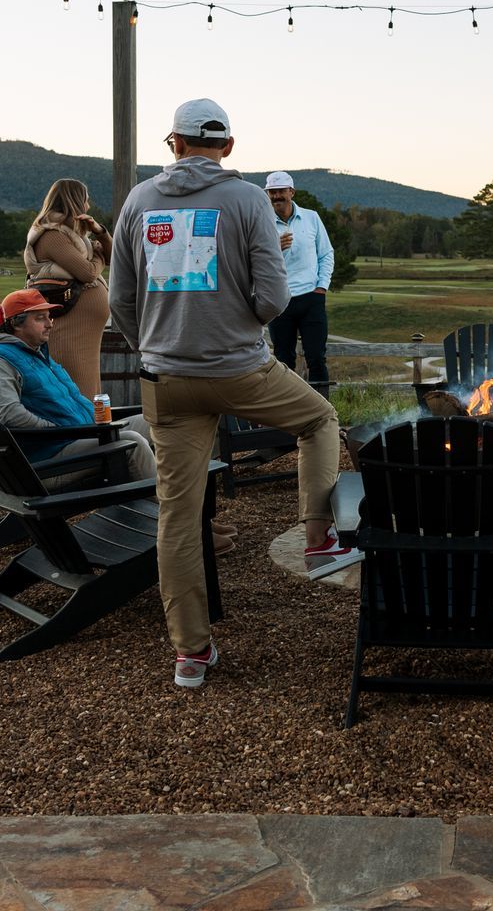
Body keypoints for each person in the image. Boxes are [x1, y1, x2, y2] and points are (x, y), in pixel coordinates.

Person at [111, 99, 344, 689]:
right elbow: (274, 297)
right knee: (319, 420)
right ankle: (319, 535)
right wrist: (243, 323)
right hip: (240, 368)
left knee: (177, 516)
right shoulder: (246, 199)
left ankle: (191, 653)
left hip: (166, 381)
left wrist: (154, 345)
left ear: (174, 143)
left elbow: (120, 299)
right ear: (229, 148)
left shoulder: (139, 201)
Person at [0, 287, 235, 554]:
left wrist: (93, 424)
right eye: (40, 318)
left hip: (83, 437)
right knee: (131, 442)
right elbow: (8, 414)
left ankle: (194, 517)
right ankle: (189, 533)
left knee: (162, 421)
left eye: (49, 317)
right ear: (16, 323)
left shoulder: (37, 353)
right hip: (52, 459)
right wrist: (60, 431)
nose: (50, 324)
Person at [24, 178, 111, 398]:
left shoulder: (76, 236)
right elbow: (87, 273)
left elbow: (112, 257)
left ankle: (89, 420)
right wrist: (98, 257)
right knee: (77, 388)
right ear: (76, 201)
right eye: (86, 200)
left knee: (88, 387)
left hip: (84, 331)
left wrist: (100, 232)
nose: (88, 205)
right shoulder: (51, 235)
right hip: (69, 330)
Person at [263, 171, 336, 388]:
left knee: (316, 358)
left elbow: (326, 253)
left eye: (281, 191)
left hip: (311, 298)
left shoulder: (311, 217)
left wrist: (321, 287)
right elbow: (253, 260)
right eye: (272, 192)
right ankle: (288, 407)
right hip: (279, 300)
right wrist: (274, 248)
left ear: (291, 192)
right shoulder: (262, 222)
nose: (276, 196)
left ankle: (322, 407)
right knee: (283, 360)